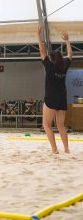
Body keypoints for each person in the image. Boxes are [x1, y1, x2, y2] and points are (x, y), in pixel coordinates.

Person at [38, 25, 73, 154]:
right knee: (61, 126)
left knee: (46, 125)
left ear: (52, 59)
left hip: (51, 99)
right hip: (62, 99)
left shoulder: (50, 67)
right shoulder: (64, 66)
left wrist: (38, 35)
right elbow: (70, 55)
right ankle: (67, 149)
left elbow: (42, 51)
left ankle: (54, 150)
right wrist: (67, 40)